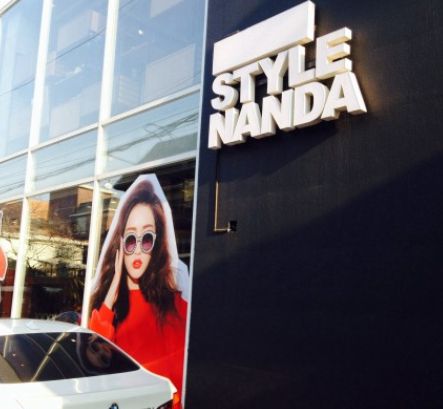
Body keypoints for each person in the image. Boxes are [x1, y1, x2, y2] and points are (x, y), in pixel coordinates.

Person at [89, 175, 188, 407]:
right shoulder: (107, 308)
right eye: (131, 240)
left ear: (157, 244)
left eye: (147, 239)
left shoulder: (175, 307)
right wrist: (112, 290)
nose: (138, 251)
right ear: (120, 243)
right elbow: (92, 358)